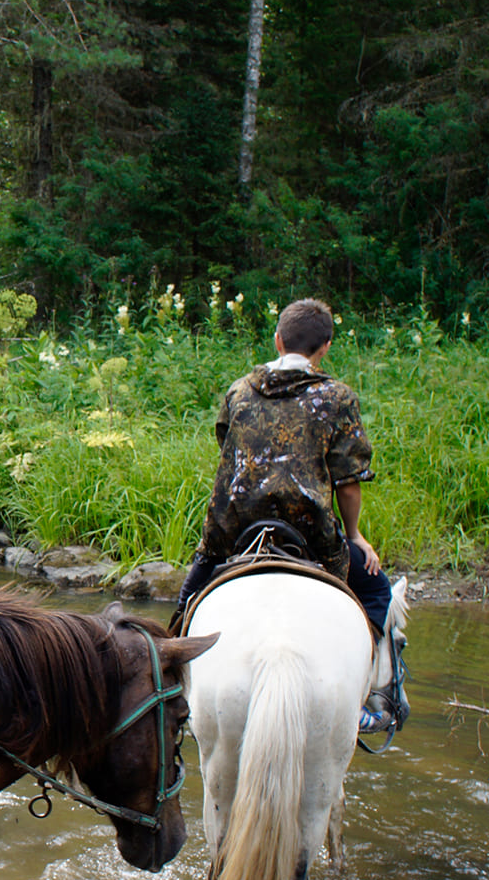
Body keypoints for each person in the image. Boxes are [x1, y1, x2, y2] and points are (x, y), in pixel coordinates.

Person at [170, 297, 400, 732]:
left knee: (186, 603)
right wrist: (355, 537)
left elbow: (228, 447)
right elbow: (348, 483)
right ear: (326, 347)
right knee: (376, 592)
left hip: (232, 530)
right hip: (310, 534)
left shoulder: (238, 391)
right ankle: (368, 695)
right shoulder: (338, 397)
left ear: (278, 339)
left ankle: (166, 685)